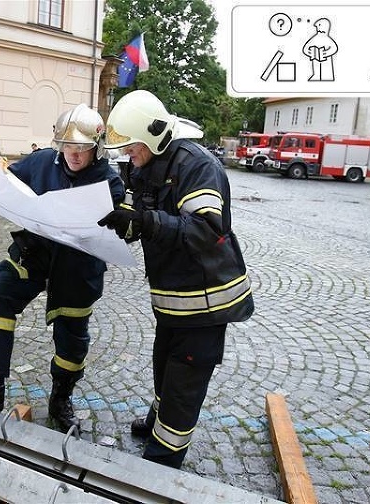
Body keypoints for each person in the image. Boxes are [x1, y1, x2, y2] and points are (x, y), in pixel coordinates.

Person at [0, 104, 125, 433]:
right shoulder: (42, 160)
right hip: (35, 253)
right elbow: (2, 180)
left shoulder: (110, 183)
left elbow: (120, 230)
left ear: (96, 148)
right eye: (67, 147)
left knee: (72, 339)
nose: (73, 155)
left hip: (78, 267)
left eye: (81, 148)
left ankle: (60, 398)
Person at [97, 90, 255, 468]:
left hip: (207, 300)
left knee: (184, 379)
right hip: (172, 297)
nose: (128, 156)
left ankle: (162, 458)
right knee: (164, 367)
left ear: (152, 137)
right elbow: (141, 211)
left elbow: (204, 229)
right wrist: (122, 222)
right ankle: (157, 422)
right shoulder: (145, 164)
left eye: (132, 148)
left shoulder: (197, 166)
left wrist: (145, 222)